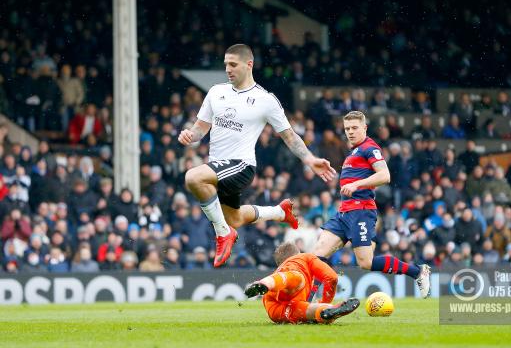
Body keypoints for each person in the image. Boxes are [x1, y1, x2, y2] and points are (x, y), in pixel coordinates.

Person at [178, 44, 336, 267]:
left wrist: (309, 159)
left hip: (241, 166)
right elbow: (200, 128)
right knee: (235, 218)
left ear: (249, 64)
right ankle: (279, 212)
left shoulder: (265, 100)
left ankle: (223, 234)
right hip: (219, 167)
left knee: (193, 177)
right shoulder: (216, 92)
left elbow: (290, 136)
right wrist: (189, 135)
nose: (228, 69)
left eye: (233, 64)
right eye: (226, 65)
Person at [311, 111, 431, 299]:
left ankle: (417, 271)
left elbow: (385, 175)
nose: (350, 132)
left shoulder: (370, 147)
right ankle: (306, 304)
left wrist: (356, 184)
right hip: (344, 213)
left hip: (361, 211)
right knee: (317, 254)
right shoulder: (353, 152)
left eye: (354, 128)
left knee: (365, 263)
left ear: (364, 128)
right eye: (347, 129)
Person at [244, 242, 359, 324]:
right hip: (293, 283)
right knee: (298, 280)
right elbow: (332, 277)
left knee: (305, 308)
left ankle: (325, 310)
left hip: (273, 307)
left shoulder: (279, 268)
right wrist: (325, 301)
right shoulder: (304, 258)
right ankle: (326, 307)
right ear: (298, 253)